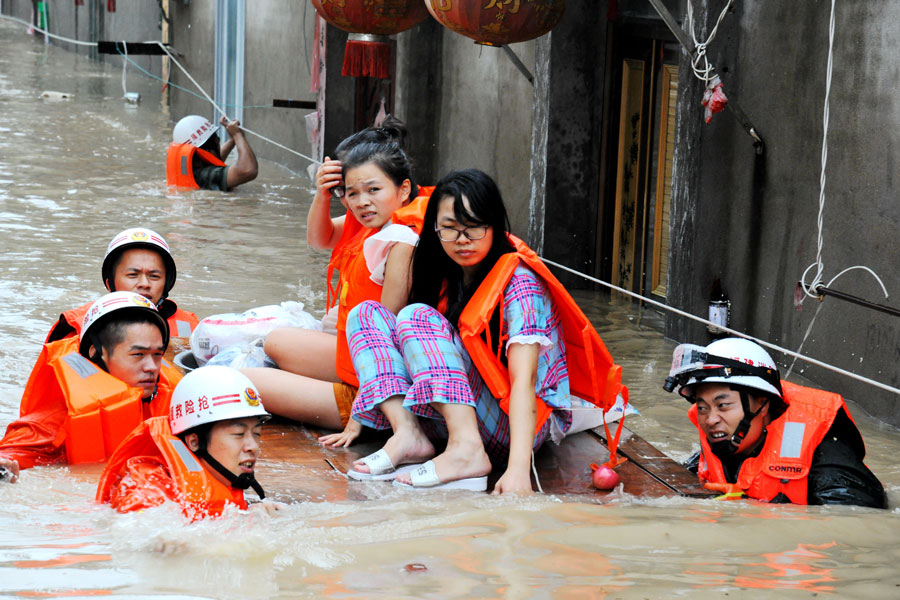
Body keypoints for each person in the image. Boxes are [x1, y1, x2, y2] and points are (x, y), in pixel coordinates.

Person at [344, 169, 626, 493]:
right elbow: (389, 347)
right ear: (435, 229)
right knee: (366, 315)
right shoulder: (435, 266)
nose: (462, 240)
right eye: (449, 228)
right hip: (443, 419)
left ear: (494, 224)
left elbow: (525, 381)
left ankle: (467, 452)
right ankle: (408, 434)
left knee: (416, 317)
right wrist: (358, 416)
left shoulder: (520, 282)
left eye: (474, 227)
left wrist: (519, 469)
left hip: (508, 426)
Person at [243, 118, 429, 447]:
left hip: (372, 392)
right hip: (358, 360)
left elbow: (382, 344)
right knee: (276, 342)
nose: (360, 201)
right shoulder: (379, 222)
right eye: (351, 192)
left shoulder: (401, 240)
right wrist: (321, 195)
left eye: (373, 189)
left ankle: (374, 417)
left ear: (402, 189)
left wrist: (359, 416)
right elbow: (320, 238)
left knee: (243, 380)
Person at [664, 337, 886, 507]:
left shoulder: (824, 462)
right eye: (702, 407)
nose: (711, 419)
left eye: (723, 406)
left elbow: (860, 526)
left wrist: (745, 508)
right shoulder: (719, 441)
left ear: (762, 404)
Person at [0, 291, 181, 482]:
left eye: (157, 355)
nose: (152, 367)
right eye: (138, 355)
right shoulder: (54, 422)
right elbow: (8, 456)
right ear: (97, 354)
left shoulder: (175, 405)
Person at [97, 366, 280, 519]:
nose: (254, 447)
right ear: (194, 442)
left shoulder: (224, 478)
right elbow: (142, 536)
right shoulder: (148, 488)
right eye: (238, 434)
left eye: (257, 434)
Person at [45, 227, 199, 343]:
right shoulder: (76, 327)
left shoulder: (192, 328)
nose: (144, 284)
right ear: (110, 283)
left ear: (167, 283)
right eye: (133, 275)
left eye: (154, 276)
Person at [166, 115, 258, 191]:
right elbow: (248, 170)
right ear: (207, 150)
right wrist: (238, 135)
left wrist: (232, 140)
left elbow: (212, 160)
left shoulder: (194, 169)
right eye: (217, 140)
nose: (219, 141)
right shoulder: (205, 175)